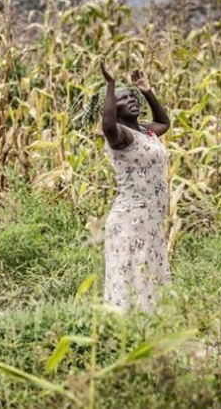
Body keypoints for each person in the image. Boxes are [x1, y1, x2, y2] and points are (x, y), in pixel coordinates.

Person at [99, 59, 172, 312]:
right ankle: (126, 336)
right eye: (124, 98)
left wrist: (146, 90)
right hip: (131, 219)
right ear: (114, 108)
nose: (132, 100)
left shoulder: (144, 131)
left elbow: (164, 122)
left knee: (148, 276)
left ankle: (148, 330)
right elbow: (107, 125)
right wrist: (111, 85)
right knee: (130, 278)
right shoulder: (120, 135)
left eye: (133, 97)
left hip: (150, 220)